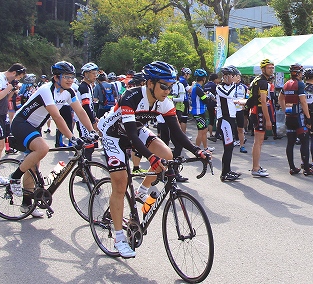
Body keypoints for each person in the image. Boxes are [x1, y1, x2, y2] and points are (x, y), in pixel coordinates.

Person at [97, 61, 210, 258]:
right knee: (120, 182)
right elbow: (131, 136)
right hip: (113, 134)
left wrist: (197, 151)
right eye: (164, 86)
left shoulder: (165, 102)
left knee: (167, 154)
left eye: (171, 86)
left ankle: (142, 191)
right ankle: (119, 238)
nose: (168, 91)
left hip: (135, 129)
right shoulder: (131, 97)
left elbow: (177, 134)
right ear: (150, 83)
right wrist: (151, 158)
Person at [7, 62, 96, 218]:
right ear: (56, 77)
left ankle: (27, 204)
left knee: (33, 165)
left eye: (72, 77)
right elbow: (56, 116)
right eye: (66, 77)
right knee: (43, 148)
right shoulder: (46, 90)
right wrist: (72, 138)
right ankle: (14, 177)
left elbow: (80, 111)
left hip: (35, 127)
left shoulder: (69, 91)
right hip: (21, 123)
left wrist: (92, 131)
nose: (70, 80)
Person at [0, 63, 26, 186]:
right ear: (14, 73)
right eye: (18, 78)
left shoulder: (6, 81)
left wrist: (12, 91)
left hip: (1, 115)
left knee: (0, 146)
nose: (17, 80)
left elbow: (5, 99)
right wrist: (9, 88)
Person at [279, 64, 313, 176]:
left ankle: (292, 168)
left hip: (289, 116)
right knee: (304, 141)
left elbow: (280, 99)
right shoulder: (300, 84)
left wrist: (285, 109)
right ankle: (306, 169)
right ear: (299, 73)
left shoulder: (286, 84)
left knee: (290, 143)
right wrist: (309, 118)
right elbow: (304, 102)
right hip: (298, 118)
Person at [247, 59, 276, 178]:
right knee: (258, 141)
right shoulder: (263, 82)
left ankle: (256, 166)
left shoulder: (257, 79)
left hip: (254, 110)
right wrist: (268, 119)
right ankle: (255, 168)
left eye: (272, 67)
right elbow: (263, 102)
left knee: (259, 141)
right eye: (269, 68)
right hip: (259, 111)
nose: (271, 70)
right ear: (263, 69)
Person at [215, 66, 242, 182]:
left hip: (231, 119)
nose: (235, 78)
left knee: (230, 147)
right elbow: (229, 95)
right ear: (226, 76)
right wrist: (234, 84)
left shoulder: (230, 87)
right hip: (224, 120)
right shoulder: (219, 87)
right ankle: (224, 174)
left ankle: (227, 170)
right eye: (233, 76)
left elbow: (231, 99)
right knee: (228, 146)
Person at [77, 62, 100, 161]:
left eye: (96, 73)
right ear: (86, 74)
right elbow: (85, 106)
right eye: (93, 73)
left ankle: (83, 171)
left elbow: (90, 106)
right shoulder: (84, 87)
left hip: (87, 118)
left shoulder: (89, 86)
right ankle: (85, 173)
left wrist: (94, 117)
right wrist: (93, 121)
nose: (95, 76)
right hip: (83, 121)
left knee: (90, 147)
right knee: (88, 148)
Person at [190, 69, 214, 153]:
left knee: (204, 130)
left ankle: (205, 148)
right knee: (201, 131)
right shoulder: (197, 88)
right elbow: (206, 100)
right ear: (203, 78)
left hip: (200, 111)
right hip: (198, 112)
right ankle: (196, 149)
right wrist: (208, 96)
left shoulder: (198, 87)